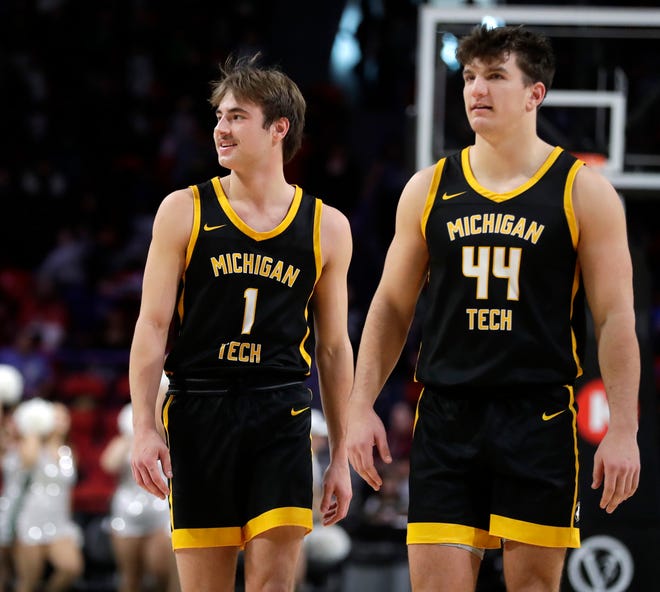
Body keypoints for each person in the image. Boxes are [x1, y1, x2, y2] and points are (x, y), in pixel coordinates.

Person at [346, 24, 640, 592]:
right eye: (470, 77)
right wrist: (361, 405)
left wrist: (623, 428)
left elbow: (615, 318)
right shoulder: (429, 187)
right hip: (447, 416)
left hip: (538, 417)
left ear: (535, 93)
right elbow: (389, 307)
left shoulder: (584, 191)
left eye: (495, 77)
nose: (477, 89)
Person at [129, 52, 354, 592]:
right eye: (219, 117)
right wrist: (143, 427)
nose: (220, 129)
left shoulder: (328, 226)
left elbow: (334, 349)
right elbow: (152, 326)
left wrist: (342, 456)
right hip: (199, 408)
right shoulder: (183, 209)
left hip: (281, 410)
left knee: (274, 585)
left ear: (279, 128)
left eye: (236, 117)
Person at [100, 398, 179, 592]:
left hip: (161, 509)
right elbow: (108, 464)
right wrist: (134, 433)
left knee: (160, 572)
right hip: (127, 511)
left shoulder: (175, 430)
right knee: (130, 577)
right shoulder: (129, 435)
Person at [12, 400, 84, 592]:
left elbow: (67, 489)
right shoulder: (33, 445)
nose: (63, 421)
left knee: (71, 568)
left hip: (59, 522)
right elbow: (27, 460)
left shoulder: (69, 451)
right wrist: (34, 429)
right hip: (32, 520)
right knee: (29, 581)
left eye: (65, 416)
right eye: (56, 416)